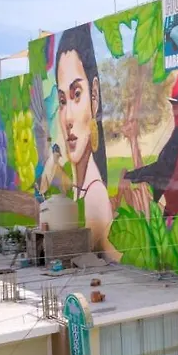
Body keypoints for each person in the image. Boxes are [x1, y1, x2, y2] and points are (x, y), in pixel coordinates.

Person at [55, 24, 119, 260]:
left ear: (94, 97)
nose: (68, 118)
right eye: (62, 101)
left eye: (76, 94)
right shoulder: (80, 188)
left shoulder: (94, 196)